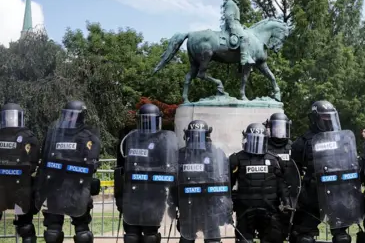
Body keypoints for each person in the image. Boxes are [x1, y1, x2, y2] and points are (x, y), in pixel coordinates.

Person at [290, 100, 360, 243]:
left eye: (331, 118)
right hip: (311, 195)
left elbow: (351, 163)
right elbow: (292, 170)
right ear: (315, 119)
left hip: (338, 194)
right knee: (304, 239)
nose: (328, 122)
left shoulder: (343, 139)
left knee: (342, 238)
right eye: (325, 118)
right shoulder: (303, 142)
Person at [34, 100, 101, 243]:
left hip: (78, 188)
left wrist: (63, 161)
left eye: (73, 115)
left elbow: (91, 164)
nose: (69, 118)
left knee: (82, 233)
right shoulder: (54, 134)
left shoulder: (89, 137)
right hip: (55, 187)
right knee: (52, 233)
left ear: (81, 116)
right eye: (67, 114)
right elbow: (44, 160)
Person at [114, 103, 178, 243]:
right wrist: (119, 196)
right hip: (136, 194)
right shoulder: (129, 139)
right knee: (134, 236)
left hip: (152, 194)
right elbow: (119, 170)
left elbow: (171, 169)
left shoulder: (163, 141)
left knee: (148, 236)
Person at [168, 120, 231, 243]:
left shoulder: (216, 153)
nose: (196, 139)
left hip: (210, 206)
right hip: (187, 205)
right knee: (186, 239)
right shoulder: (180, 155)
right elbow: (173, 183)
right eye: (193, 135)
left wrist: (225, 206)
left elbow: (224, 180)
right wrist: (172, 204)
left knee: (213, 240)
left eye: (200, 135)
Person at [229, 123, 291, 243]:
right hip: (245, 210)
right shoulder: (236, 159)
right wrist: (228, 203)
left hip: (270, 210)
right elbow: (228, 185)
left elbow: (281, 185)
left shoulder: (275, 160)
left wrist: (287, 202)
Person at [0, 103, 40, 243]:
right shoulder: (29, 137)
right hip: (21, 189)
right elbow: (33, 165)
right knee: (26, 227)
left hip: (2, 189)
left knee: (26, 227)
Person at [264, 113, 301, 240]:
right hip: (272, 191)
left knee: (294, 228)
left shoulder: (292, 146)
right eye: (276, 128)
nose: (279, 131)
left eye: (282, 127)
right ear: (270, 128)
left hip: (291, 190)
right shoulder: (264, 146)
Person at [221, 0, 255, 65]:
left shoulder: (232, 3)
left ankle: (247, 55)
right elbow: (229, 16)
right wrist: (233, 30)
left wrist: (240, 26)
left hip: (236, 24)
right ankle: (244, 59)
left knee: (248, 34)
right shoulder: (230, 3)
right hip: (233, 25)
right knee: (245, 37)